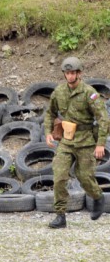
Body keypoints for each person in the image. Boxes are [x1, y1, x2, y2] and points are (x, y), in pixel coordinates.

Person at [45, 56, 109, 228]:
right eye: (67, 73)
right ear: (64, 74)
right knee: (59, 176)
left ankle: (97, 196)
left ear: (79, 73)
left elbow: (103, 118)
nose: (70, 76)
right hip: (66, 141)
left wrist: (100, 143)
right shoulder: (59, 92)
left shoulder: (90, 93)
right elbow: (50, 113)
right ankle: (60, 215)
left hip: (86, 141)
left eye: (73, 73)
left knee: (85, 177)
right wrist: (48, 132)